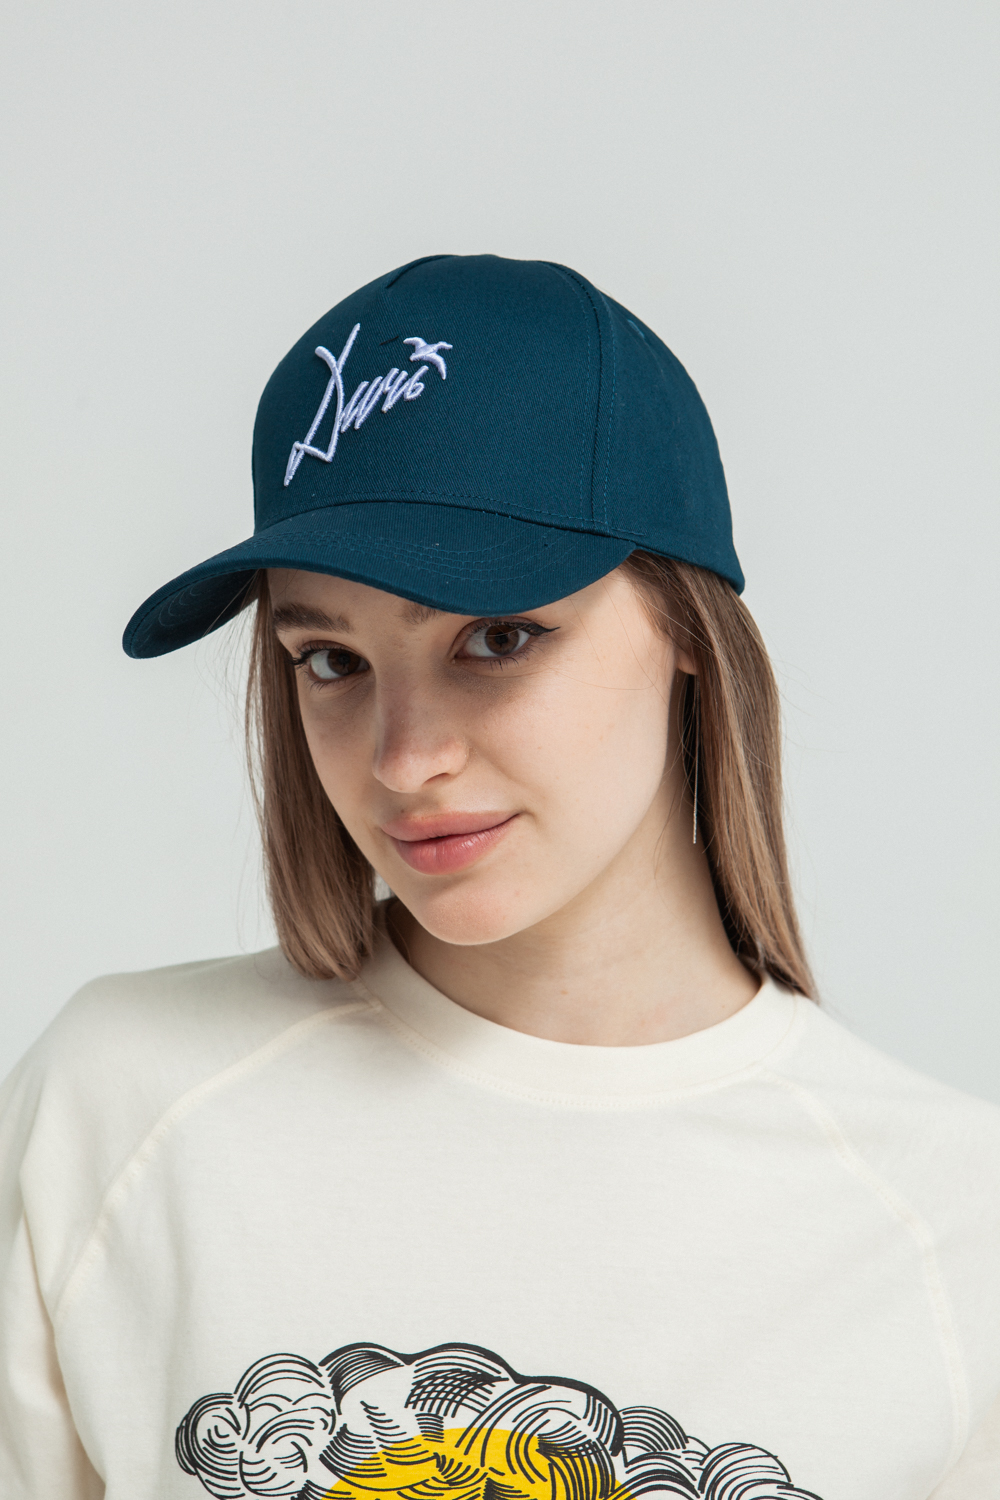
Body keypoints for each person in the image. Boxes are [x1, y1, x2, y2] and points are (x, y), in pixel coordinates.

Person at [0, 254, 997, 1500]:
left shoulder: (948, 1238)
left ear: (686, 629)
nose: (405, 757)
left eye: (499, 637)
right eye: (330, 659)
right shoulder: (122, 1110)